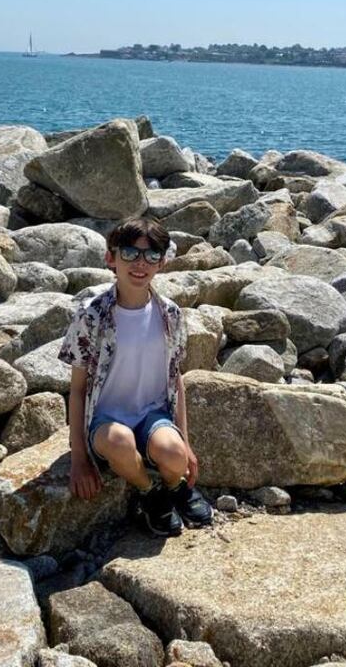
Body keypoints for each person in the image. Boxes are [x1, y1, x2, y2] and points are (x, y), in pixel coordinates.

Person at [59, 216, 213, 537]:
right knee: (119, 441)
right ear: (111, 258)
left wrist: (186, 444)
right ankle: (149, 493)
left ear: (162, 262)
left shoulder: (169, 313)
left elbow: (176, 379)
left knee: (173, 453)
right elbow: (77, 390)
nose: (140, 263)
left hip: (151, 415)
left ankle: (175, 486)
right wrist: (78, 459)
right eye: (130, 253)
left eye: (151, 255)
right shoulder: (91, 314)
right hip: (106, 423)